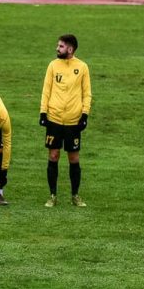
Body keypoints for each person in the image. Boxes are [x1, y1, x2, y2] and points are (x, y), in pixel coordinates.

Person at [40, 33, 92, 207]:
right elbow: (46, 90)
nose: (57, 48)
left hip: (73, 121)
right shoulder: (53, 66)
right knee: (53, 155)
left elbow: (87, 93)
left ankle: (75, 195)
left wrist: (84, 115)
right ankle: (52, 196)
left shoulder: (82, 67)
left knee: (74, 159)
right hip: (54, 119)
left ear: (70, 49)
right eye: (58, 45)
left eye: (61, 46)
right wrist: (43, 113)